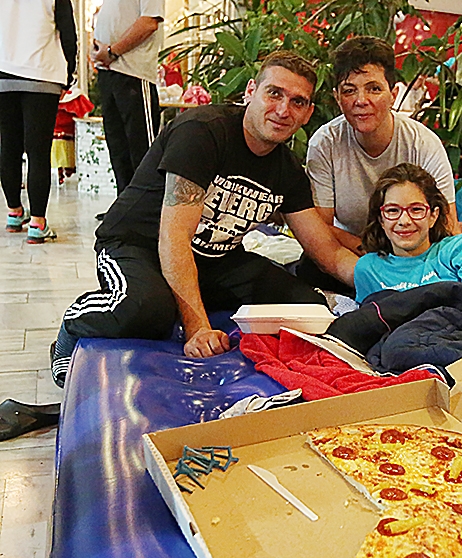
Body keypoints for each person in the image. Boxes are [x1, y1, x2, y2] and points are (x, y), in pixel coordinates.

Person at [50, 51, 358, 388]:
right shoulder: (202, 132)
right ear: (250, 91)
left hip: (214, 259)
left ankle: (181, 300)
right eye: (274, 93)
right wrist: (197, 327)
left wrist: (384, 282)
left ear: (308, 113)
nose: (283, 110)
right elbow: (174, 236)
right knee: (146, 312)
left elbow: (326, 252)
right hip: (138, 246)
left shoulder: (287, 170)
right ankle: (73, 323)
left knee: (306, 304)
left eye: (297, 102)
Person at [302, 36, 462, 290]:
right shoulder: (325, 143)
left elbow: (445, 223)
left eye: (374, 89)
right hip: (354, 255)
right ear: (337, 97)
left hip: (417, 259)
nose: (361, 100)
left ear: (393, 94)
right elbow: (321, 229)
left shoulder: (423, 143)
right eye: (349, 90)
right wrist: (377, 264)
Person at [355, 163, 462, 343]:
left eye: (416, 210)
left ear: (433, 216)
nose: (404, 221)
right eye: (393, 211)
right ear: (381, 220)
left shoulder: (459, 248)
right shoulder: (367, 269)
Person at [0, 0, 77, 242]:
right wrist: (69, 73)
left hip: (2, 73)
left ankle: (14, 212)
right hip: (43, 73)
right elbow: (67, 32)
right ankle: (37, 223)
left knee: (8, 146)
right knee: (38, 151)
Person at [91, 0, 164, 195]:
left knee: (143, 152)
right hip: (109, 72)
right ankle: (125, 205)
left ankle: (148, 207)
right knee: (118, 150)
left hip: (133, 74)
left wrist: (112, 51)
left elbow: (149, 22)